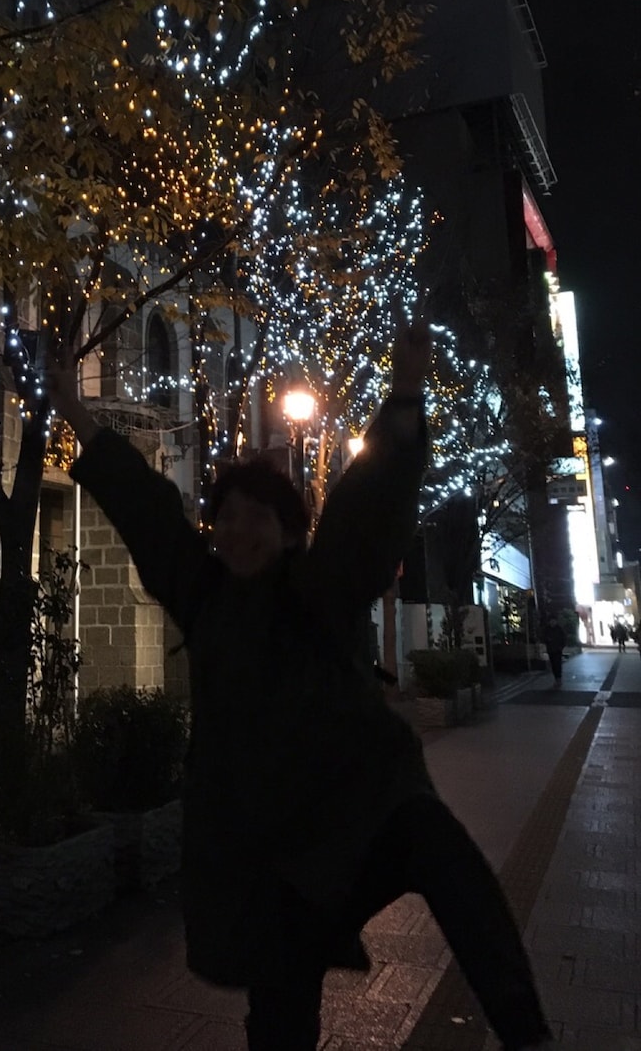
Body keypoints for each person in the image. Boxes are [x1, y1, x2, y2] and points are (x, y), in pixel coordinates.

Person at [47, 325, 553, 1051]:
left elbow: (363, 512)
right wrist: (75, 410)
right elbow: (145, 509)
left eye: (257, 518)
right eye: (225, 518)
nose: (237, 530)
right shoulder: (203, 594)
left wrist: (405, 393)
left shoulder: (319, 591)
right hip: (273, 863)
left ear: (290, 534)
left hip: (363, 814)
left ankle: (526, 1034)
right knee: (281, 1017)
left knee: (444, 852)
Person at [542, 616, 567, 687]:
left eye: (554, 621)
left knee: (558, 665)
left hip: (558, 650)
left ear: (556, 621)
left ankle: (559, 679)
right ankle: (556, 678)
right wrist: (547, 640)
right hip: (550, 650)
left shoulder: (559, 629)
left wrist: (561, 647)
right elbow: (543, 638)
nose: (552, 623)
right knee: (553, 665)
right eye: (551, 621)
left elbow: (564, 638)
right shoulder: (547, 629)